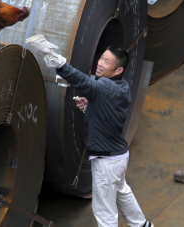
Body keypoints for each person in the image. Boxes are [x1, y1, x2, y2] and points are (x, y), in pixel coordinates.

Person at [27, 35, 152, 227]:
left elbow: (86, 83)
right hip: (119, 156)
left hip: (106, 162)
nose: (100, 63)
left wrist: (59, 63)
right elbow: (108, 108)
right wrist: (91, 108)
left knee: (104, 212)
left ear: (118, 69)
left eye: (106, 61)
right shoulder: (122, 86)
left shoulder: (104, 87)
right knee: (121, 192)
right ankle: (142, 225)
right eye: (101, 58)